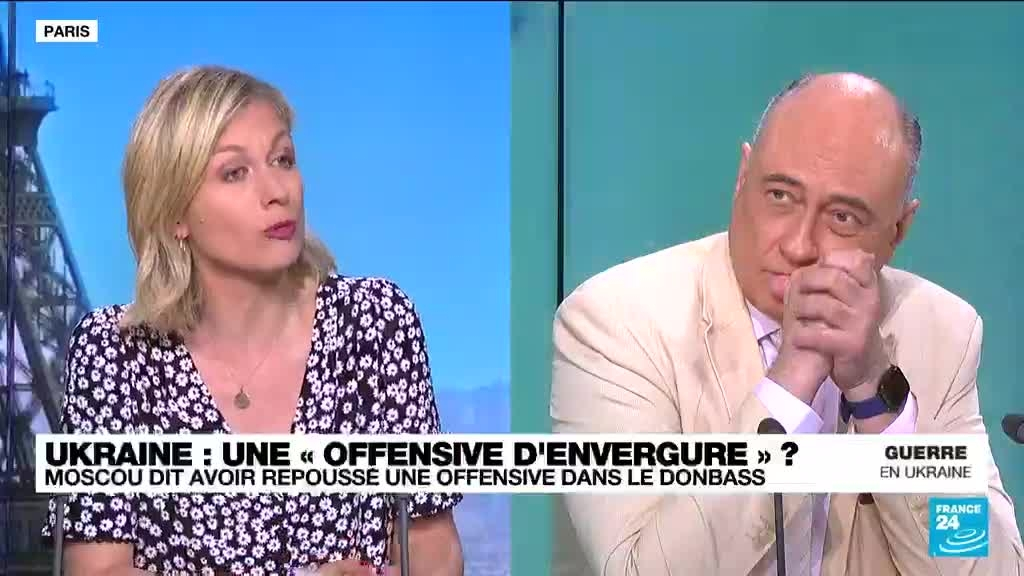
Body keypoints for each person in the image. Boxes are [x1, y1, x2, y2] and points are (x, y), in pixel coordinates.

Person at [550, 72, 1024, 575]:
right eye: (780, 196)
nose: (798, 246)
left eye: (842, 218)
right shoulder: (616, 323)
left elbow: (986, 568)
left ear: (897, 231)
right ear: (742, 177)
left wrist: (878, 398)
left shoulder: (942, 331)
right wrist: (788, 387)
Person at [42, 65, 464, 576]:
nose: (276, 191)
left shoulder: (376, 324)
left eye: (282, 160)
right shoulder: (112, 354)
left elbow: (432, 548)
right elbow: (98, 569)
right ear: (175, 213)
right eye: (234, 173)